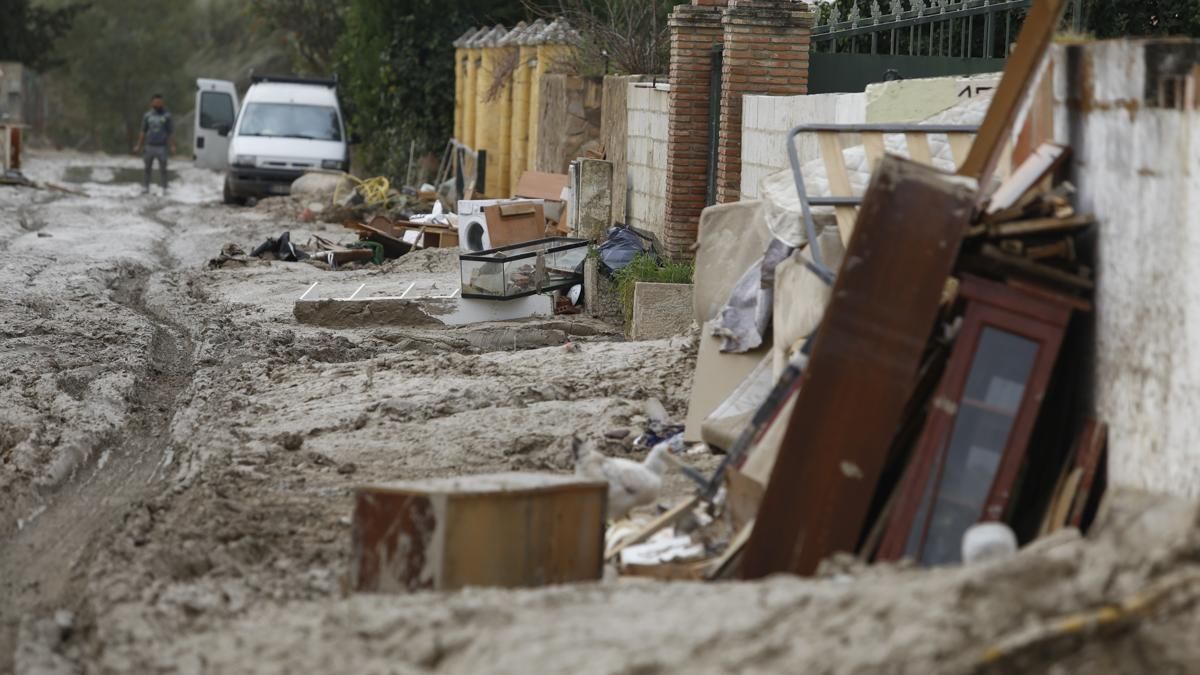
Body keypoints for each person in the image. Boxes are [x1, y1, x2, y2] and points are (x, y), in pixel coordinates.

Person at [133, 93, 176, 194]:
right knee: (147, 168)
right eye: (156, 102)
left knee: (163, 168)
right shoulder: (147, 116)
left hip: (162, 146)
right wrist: (138, 145)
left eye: (160, 102)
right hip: (149, 146)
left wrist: (173, 145)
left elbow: (170, 132)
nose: (158, 104)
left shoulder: (167, 116)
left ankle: (164, 187)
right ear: (152, 103)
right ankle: (145, 187)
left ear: (163, 103)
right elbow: (143, 131)